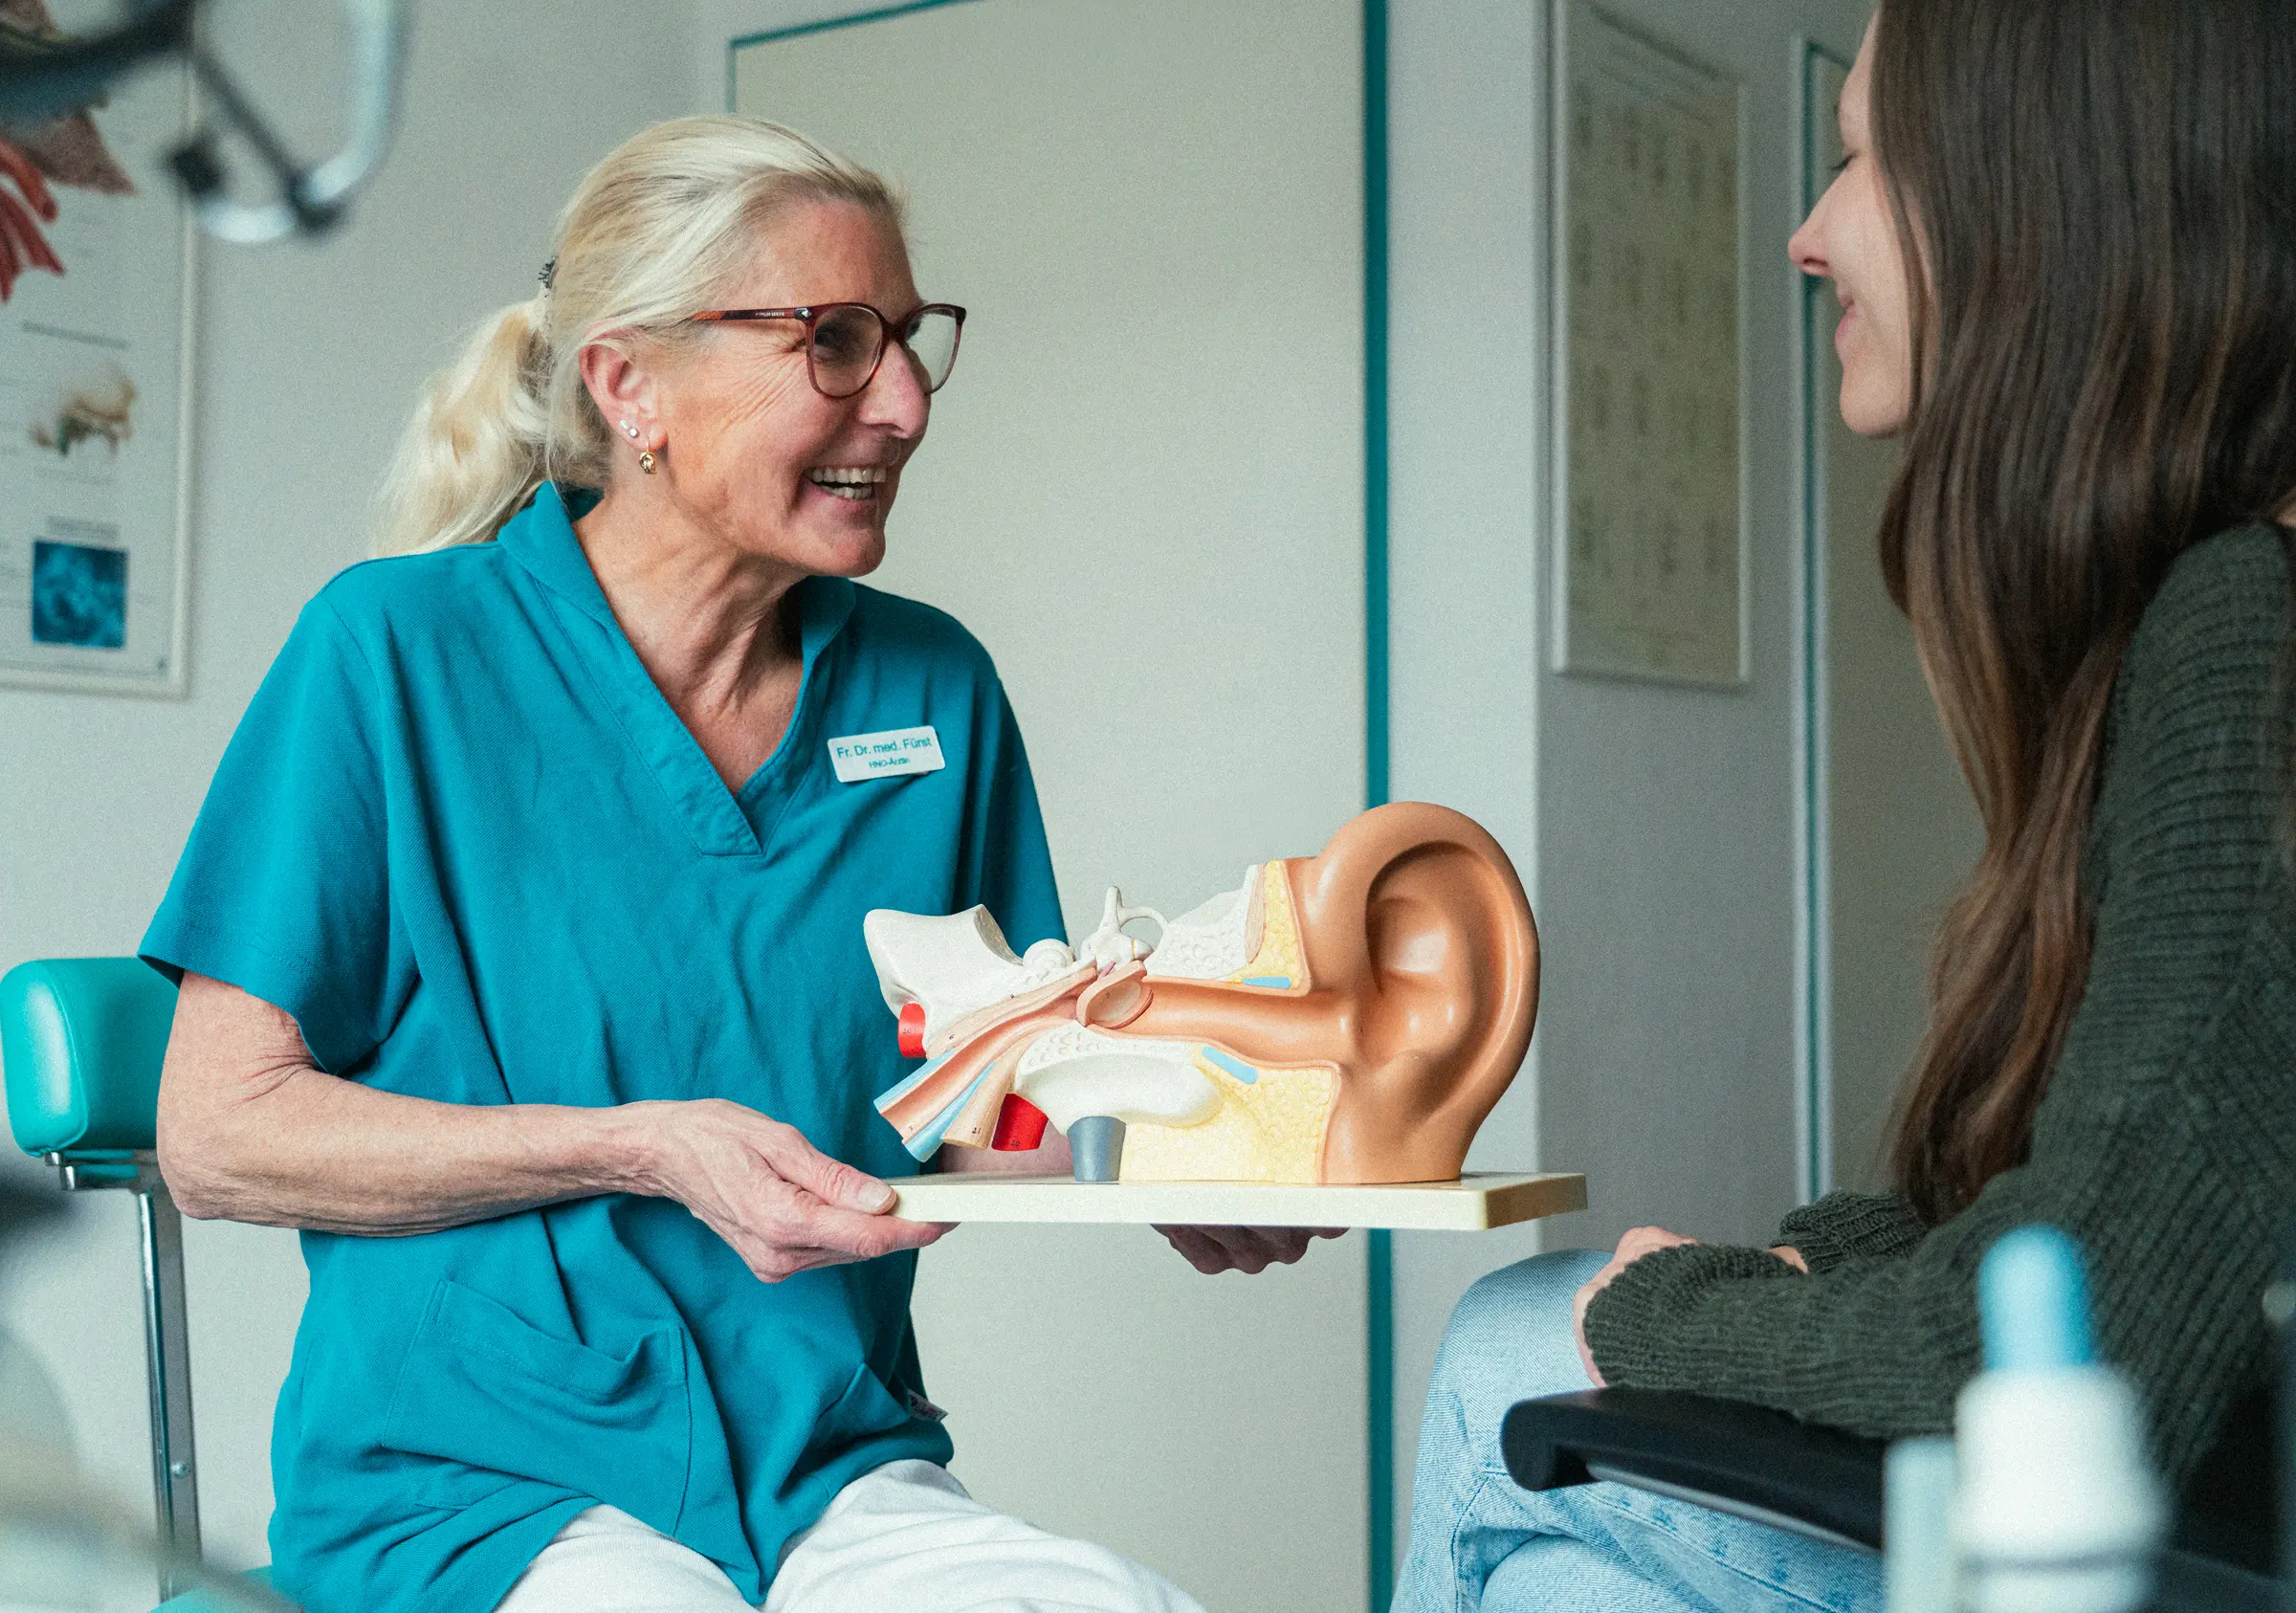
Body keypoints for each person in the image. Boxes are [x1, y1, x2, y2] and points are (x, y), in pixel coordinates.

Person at [147, 117, 1315, 1613]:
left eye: (907, 338)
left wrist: (1166, 1156)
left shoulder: (930, 690)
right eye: (833, 342)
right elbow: (219, 1134)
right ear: (632, 384)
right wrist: (639, 1143)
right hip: (474, 1481)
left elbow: (987, 1111)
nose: (899, 403)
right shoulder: (394, 657)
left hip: (821, 1463)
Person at [1397, 0, 2296, 1607]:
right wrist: (1827, 1256)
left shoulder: (2248, 620)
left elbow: (2072, 1329)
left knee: (1514, 1333)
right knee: (1564, 1585)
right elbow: (2149, 1183)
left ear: (2042, 191)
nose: (1807, 238)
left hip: (2187, 1523)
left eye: (1864, 158)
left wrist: (1667, 1311)